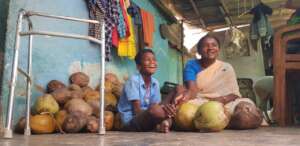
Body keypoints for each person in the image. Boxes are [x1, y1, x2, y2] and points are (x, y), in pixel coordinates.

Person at [174, 34, 262, 129]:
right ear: (199, 51)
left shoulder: (226, 67)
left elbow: (234, 94)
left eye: (214, 45)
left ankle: (217, 122)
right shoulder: (191, 65)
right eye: (206, 45)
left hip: (227, 103)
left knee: (247, 111)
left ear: (218, 49)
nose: (210, 48)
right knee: (186, 115)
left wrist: (221, 100)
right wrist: (185, 97)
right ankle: (220, 122)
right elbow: (192, 90)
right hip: (200, 102)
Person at [117, 49, 176, 133]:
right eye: (148, 60)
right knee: (157, 111)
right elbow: (137, 111)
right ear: (138, 66)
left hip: (147, 116)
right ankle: (159, 125)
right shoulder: (133, 81)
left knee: (176, 93)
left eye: (154, 60)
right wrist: (158, 111)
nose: (152, 62)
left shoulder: (155, 82)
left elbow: (156, 105)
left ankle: (163, 124)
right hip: (131, 121)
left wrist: (164, 110)